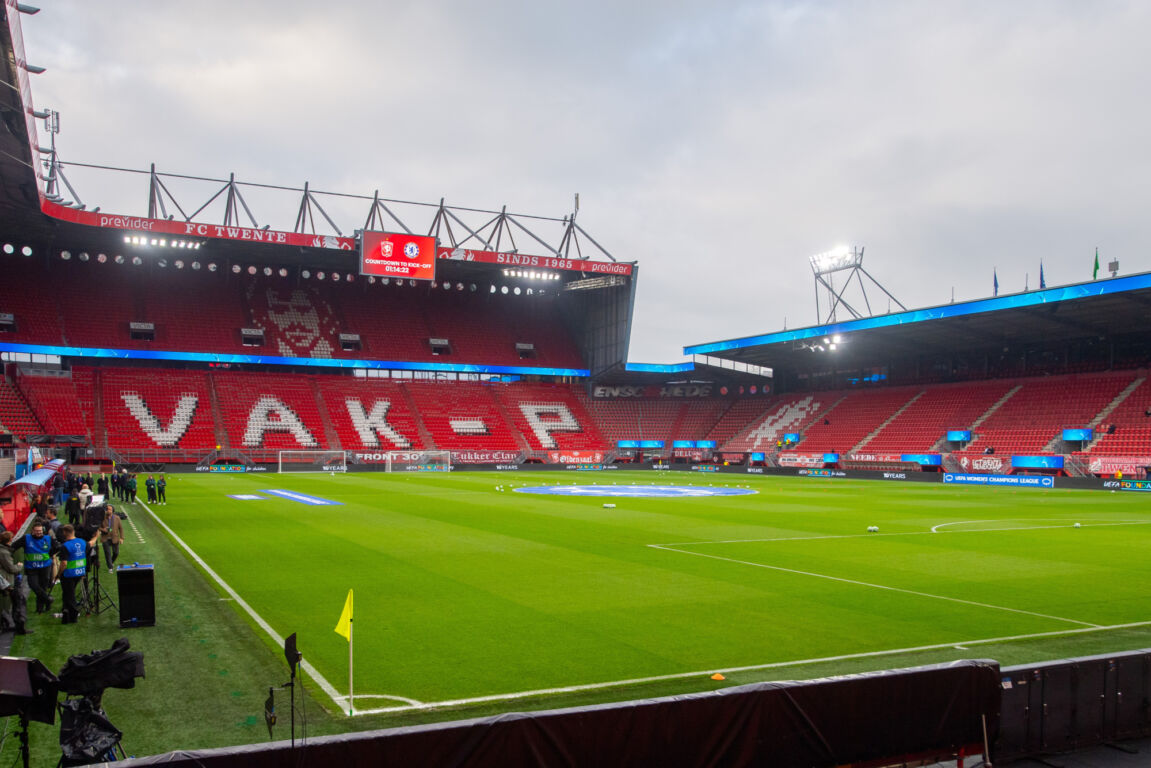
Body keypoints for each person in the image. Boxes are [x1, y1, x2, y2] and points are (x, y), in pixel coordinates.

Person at [11, 522, 59, 614]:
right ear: (32, 531)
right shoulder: (26, 538)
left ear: (43, 530)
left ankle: (40, 609)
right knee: (33, 585)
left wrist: (50, 554)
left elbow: (57, 547)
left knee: (43, 587)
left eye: (40, 531)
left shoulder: (48, 538)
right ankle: (48, 599)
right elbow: (14, 546)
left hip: (45, 567)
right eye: (36, 531)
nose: (39, 533)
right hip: (31, 568)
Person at [55, 524, 99, 625]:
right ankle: (65, 612)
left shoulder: (65, 546)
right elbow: (91, 543)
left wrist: (58, 574)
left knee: (70, 595)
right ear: (73, 531)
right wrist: (96, 536)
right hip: (79, 572)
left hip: (68, 574)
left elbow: (64, 563)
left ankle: (73, 615)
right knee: (67, 593)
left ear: (65, 533)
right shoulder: (82, 542)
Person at [0, 532, 30, 634]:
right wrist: (19, 566)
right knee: (19, 601)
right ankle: (19, 627)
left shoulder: (4, 551)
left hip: (6, 581)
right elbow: (11, 568)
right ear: (9, 540)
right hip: (7, 582)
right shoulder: (4, 552)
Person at [100, 504, 124, 573]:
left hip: (114, 537)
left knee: (116, 553)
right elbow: (98, 526)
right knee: (107, 553)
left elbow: (121, 528)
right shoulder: (102, 517)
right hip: (105, 538)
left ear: (113, 510)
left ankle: (111, 562)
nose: (108, 510)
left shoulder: (117, 518)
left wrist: (122, 538)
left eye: (110, 509)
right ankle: (110, 567)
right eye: (107, 509)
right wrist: (103, 529)